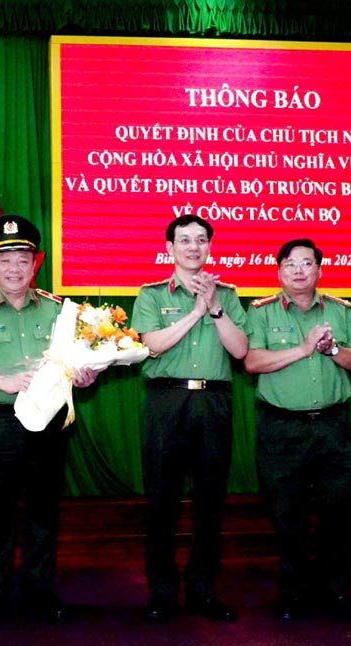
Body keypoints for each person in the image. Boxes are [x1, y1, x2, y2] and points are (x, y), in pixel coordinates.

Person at [0, 214, 99, 623]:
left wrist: (86, 374)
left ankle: (40, 591)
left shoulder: (58, 312)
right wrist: (2, 381)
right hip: (0, 422)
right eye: (5, 260)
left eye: (22, 259)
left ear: (35, 264)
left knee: (43, 510)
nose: (14, 268)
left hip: (49, 423)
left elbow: (79, 362)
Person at [130, 214, 249, 623]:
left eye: (201, 240)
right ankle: (162, 592)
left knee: (210, 502)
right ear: (170, 249)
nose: (193, 247)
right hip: (167, 402)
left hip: (213, 403)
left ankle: (202, 590)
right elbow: (152, 345)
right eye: (185, 240)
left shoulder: (228, 295)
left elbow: (239, 351)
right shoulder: (150, 295)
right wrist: (195, 313)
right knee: (161, 501)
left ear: (210, 247)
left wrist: (215, 308)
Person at [244, 238, 351, 621]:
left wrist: (332, 350)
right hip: (283, 429)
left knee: (340, 514)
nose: (299, 270)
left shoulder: (339, 310)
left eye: (307, 263)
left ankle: (339, 594)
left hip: (333, 427)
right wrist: (302, 349)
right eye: (290, 264)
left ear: (319, 269)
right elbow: (252, 362)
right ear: (279, 271)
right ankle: (294, 594)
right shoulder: (261, 312)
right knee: (287, 515)